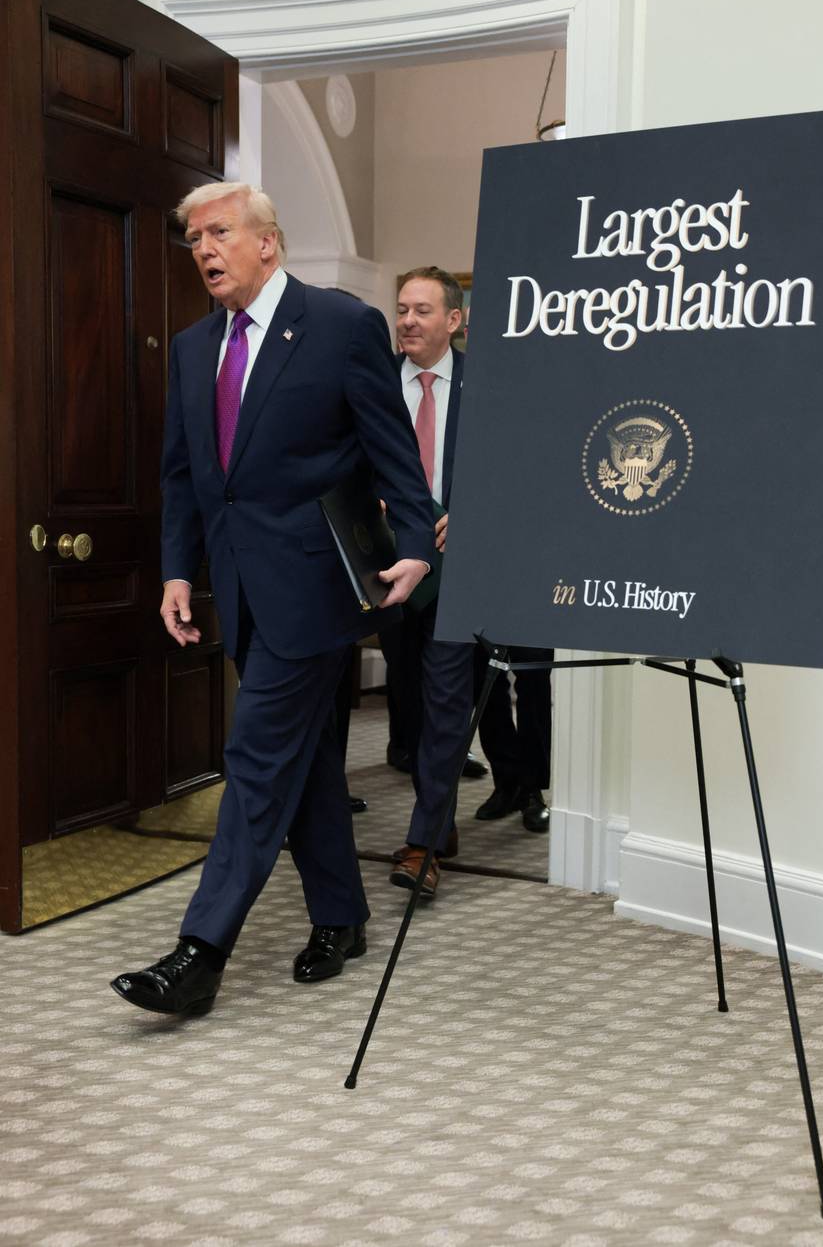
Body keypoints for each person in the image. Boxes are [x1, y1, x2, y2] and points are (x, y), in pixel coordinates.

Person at [111, 182, 433, 1015]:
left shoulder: (339, 325)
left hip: (319, 588)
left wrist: (415, 546)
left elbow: (388, 445)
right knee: (307, 759)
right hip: (241, 593)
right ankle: (342, 916)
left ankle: (200, 951)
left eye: (219, 232)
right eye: (193, 240)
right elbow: (184, 474)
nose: (205, 250)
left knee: (254, 757)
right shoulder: (191, 347)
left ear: (268, 242)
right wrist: (179, 571)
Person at [381, 267, 475, 899]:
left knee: (446, 702)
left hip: (459, 568)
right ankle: (437, 823)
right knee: (409, 701)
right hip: (386, 567)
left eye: (421, 310)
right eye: (401, 309)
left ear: (453, 320)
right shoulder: (376, 384)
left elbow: (521, 462)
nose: (408, 321)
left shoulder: (488, 384)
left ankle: (423, 843)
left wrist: (472, 514)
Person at [473, 646, 553, 832]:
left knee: (534, 674)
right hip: (483, 616)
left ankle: (532, 788)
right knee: (485, 679)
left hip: (536, 617)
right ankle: (507, 782)